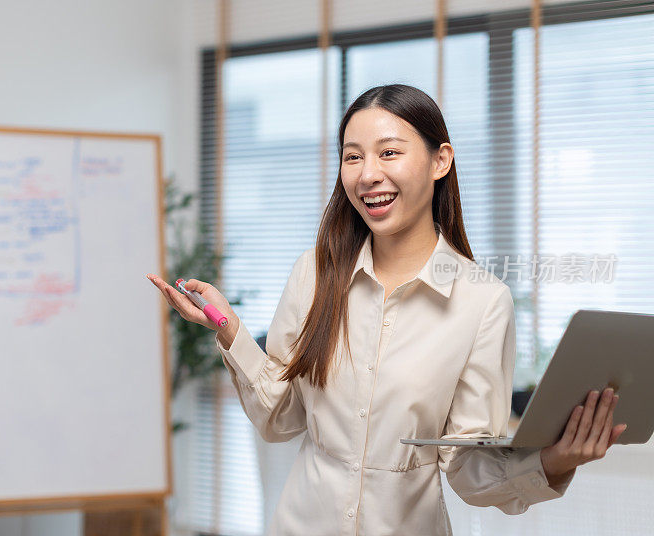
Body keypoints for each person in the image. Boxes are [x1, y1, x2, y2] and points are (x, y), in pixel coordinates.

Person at [147, 84, 626, 535]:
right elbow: (281, 419)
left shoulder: (483, 302)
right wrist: (227, 327)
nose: (367, 173)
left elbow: (467, 468)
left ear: (441, 160)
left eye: (389, 152)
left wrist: (556, 461)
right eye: (352, 157)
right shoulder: (313, 275)